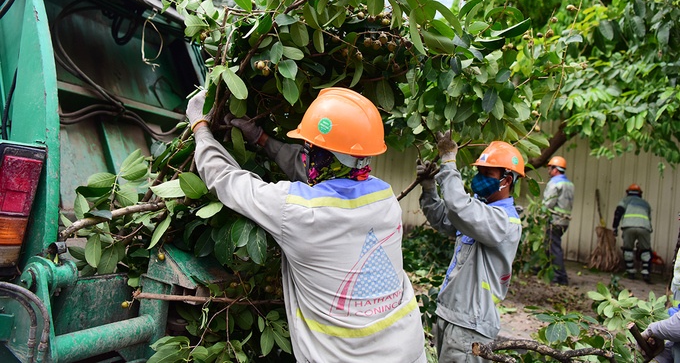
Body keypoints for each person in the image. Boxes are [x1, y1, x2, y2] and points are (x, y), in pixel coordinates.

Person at [187, 87, 427, 363]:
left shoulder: (297, 212)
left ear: (320, 156)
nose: (306, 154)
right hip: (407, 349)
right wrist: (262, 139)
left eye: (309, 149)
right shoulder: (385, 198)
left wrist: (200, 128)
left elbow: (225, 179)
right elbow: (329, 177)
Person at [417, 134, 524, 362]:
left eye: (489, 174)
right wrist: (428, 189)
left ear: (507, 180)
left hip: (470, 325)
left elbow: (458, 206)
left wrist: (448, 161)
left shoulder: (503, 221)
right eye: (480, 172)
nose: (480, 178)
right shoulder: (480, 212)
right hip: (451, 316)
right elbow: (444, 219)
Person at [542, 156, 574, 286]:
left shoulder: (554, 183)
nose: (549, 171)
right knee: (550, 246)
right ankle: (549, 271)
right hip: (564, 221)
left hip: (554, 219)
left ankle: (560, 277)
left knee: (554, 248)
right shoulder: (569, 184)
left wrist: (540, 212)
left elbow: (548, 203)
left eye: (550, 168)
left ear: (555, 169)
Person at [612, 183, 653, 282]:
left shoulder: (625, 201)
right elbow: (649, 219)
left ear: (628, 192)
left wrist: (615, 228)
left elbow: (618, 213)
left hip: (628, 227)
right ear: (640, 193)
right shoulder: (645, 203)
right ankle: (646, 273)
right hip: (644, 227)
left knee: (628, 249)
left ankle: (631, 272)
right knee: (645, 250)